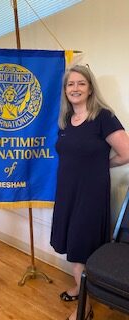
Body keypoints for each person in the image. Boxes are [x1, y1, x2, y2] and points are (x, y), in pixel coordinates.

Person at [50, 65, 129, 320]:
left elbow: (127, 153)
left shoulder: (103, 117)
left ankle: (84, 307)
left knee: (80, 245)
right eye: (70, 84)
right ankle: (79, 287)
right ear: (65, 90)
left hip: (90, 194)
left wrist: (103, 165)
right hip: (67, 192)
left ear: (90, 88)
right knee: (72, 244)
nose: (75, 88)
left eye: (81, 83)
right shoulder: (65, 121)